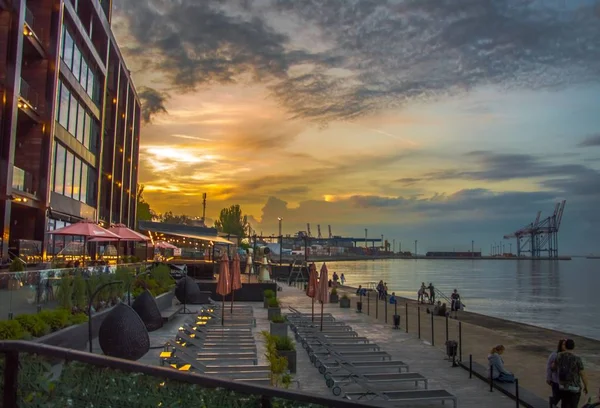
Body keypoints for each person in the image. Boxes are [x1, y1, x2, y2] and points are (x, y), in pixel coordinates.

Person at [555, 339, 589, 408]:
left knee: (564, 405)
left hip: (563, 387)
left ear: (566, 346)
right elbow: (583, 374)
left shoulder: (559, 356)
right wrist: (586, 386)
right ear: (573, 347)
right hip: (574, 389)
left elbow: (554, 366)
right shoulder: (577, 359)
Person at [547, 339, 566, 407]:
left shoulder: (569, 356)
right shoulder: (554, 355)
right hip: (556, 381)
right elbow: (549, 367)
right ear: (560, 345)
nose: (565, 346)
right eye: (563, 344)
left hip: (566, 383)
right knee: (555, 399)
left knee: (565, 401)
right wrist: (548, 378)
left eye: (566, 344)